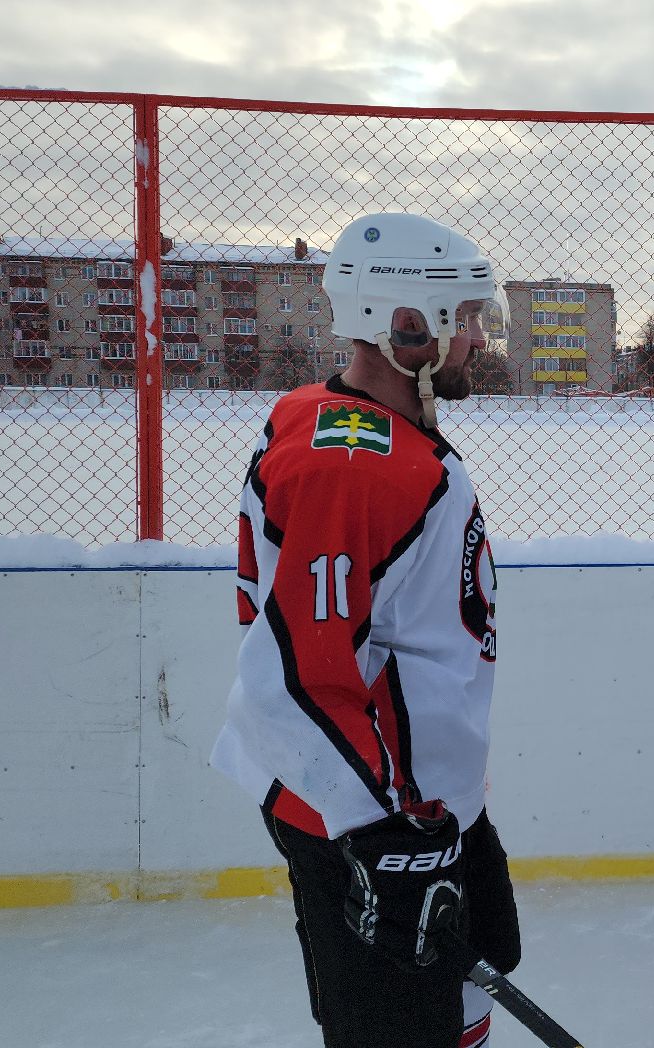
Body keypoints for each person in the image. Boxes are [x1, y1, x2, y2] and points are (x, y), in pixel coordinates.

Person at [210, 212, 519, 1048]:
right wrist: (381, 839)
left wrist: (454, 814)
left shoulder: (373, 440)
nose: (479, 339)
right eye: (469, 318)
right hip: (367, 821)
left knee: (457, 1012)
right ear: (408, 326)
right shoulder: (351, 467)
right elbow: (301, 676)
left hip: (420, 807)